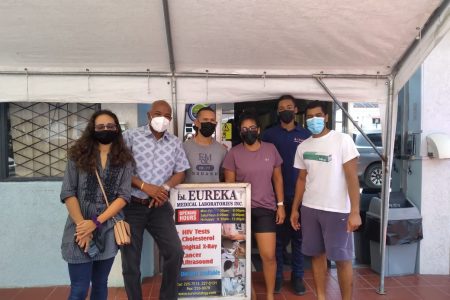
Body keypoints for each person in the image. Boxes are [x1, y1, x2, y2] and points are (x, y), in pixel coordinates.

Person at [290, 101, 361, 300]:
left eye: (318, 115)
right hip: (310, 208)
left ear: (326, 117)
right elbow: (302, 179)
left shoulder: (342, 140)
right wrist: (295, 209)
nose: (314, 120)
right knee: (316, 255)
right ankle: (321, 296)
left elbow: (352, 177)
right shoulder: (303, 146)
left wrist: (355, 211)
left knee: (342, 258)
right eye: (310, 117)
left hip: (337, 209)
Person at [60, 110, 134, 300]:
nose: (105, 130)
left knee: (100, 285)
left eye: (110, 126)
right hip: (79, 231)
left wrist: (96, 222)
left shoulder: (124, 160)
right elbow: (69, 192)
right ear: (92, 129)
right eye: (100, 127)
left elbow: (123, 196)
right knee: (79, 288)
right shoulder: (77, 155)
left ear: (117, 129)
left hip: (107, 229)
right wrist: (83, 227)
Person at [121, 100, 190, 300]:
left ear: (170, 119)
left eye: (167, 115)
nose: (162, 118)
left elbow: (181, 172)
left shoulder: (175, 142)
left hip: (159, 207)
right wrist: (144, 186)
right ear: (149, 115)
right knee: (131, 262)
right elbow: (120, 169)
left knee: (175, 252)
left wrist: (164, 189)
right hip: (133, 204)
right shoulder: (130, 136)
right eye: (158, 113)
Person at [223, 112, 285, 300]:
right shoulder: (233, 153)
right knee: (241, 255)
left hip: (265, 209)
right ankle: (249, 291)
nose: (248, 132)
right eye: (244, 129)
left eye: (252, 128)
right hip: (241, 212)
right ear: (240, 132)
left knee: (268, 255)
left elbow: (277, 178)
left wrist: (280, 205)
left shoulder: (270, 149)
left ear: (258, 130)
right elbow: (230, 186)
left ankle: (269, 295)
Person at [262, 95, 311, 295]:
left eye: (289, 107)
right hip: (276, 197)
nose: (286, 110)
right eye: (282, 108)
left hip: (302, 195)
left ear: (296, 109)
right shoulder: (268, 135)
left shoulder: (307, 134)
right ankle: (278, 276)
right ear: (277, 112)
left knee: (299, 239)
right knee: (278, 241)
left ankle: (298, 277)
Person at [183, 106, 227, 183]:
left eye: (212, 120)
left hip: (214, 194)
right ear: (196, 123)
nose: (209, 123)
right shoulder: (184, 148)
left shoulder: (222, 150)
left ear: (215, 124)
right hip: (189, 194)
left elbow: (223, 177)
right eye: (205, 120)